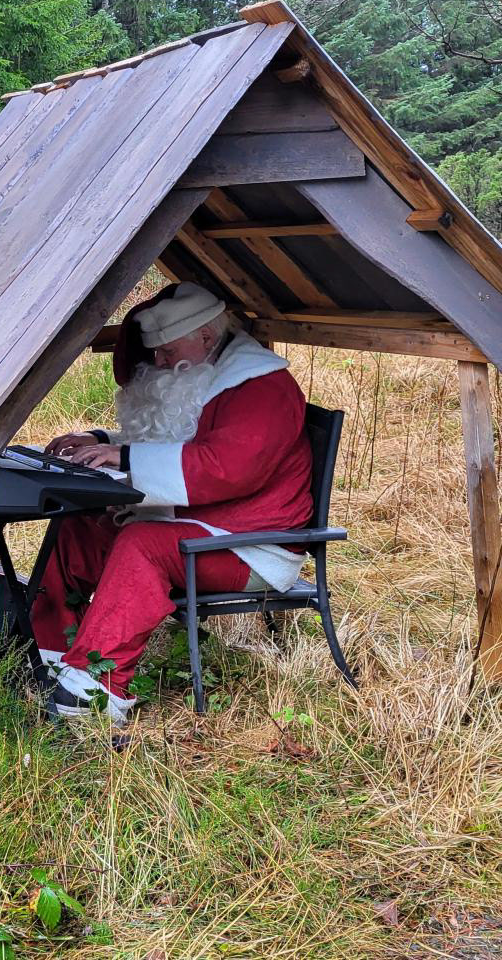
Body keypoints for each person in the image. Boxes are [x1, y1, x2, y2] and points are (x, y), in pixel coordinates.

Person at [38, 283, 313, 722]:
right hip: (211, 523)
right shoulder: (210, 369)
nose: (161, 362)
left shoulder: (261, 388)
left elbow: (226, 468)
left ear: (205, 335)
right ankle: (51, 653)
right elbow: (177, 439)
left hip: (253, 545)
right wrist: (101, 440)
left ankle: (94, 689)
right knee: (82, 527)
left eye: (167, 351)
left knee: (142, 545)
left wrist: (126, 458)